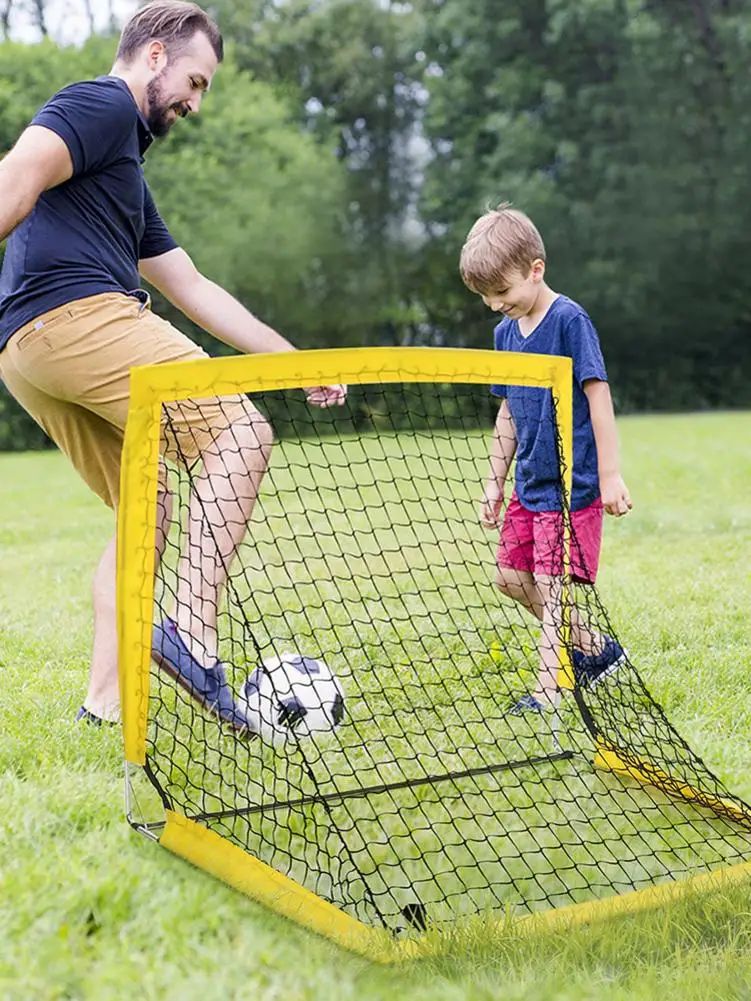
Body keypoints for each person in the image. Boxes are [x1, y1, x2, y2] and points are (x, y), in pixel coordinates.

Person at [0, 0, 345, 731]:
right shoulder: (100, 105)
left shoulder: (121, 172)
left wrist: (290, 359)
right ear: (154, 56)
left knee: (145, 508)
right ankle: (189, 632)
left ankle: (103, 702)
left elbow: (191, 287)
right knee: (240, 433)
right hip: (81, 320)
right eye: (196, 80)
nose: (196, 100)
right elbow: (12, 183)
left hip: (26, 350)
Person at [459, 204, 632, 714]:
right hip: (529, 485)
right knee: (510, 578)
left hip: (570, 484)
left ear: (536, 269)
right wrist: (495, 481)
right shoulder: (504, 334)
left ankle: (548, 687)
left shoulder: (569, 321)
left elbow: (598, 397)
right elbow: (508, 411)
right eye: (486, 297)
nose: (495, 304)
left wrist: (610, 475)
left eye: (503, 292)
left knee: (553, 589)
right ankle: (597, 650)